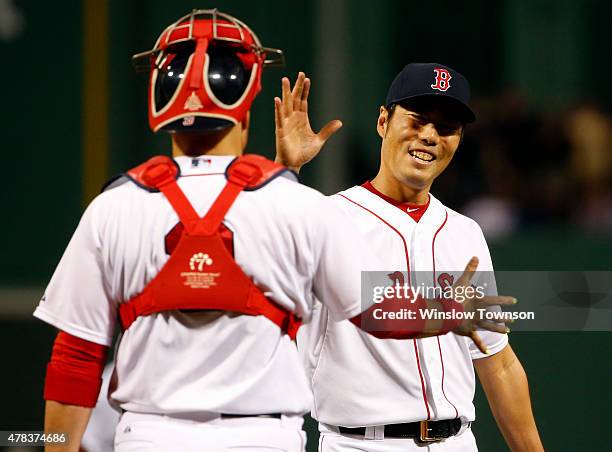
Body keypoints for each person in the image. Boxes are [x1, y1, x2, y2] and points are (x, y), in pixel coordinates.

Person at [33, 10, 513, 451]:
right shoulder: (299, 207)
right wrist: (447, 308)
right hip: (262, 437)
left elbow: (74, 362)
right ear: (247, 98)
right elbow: (378, 312)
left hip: (149, 436)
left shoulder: (114, 206)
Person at [275, 65, 544, 451]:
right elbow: (268, 258)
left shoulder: (465, 232)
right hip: (362, 444)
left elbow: (498, 362)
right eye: (417, 120)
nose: (430, 136)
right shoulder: (327, 219)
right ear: (383, 121)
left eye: (446, 127)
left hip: (457, 442)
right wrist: (288, 172)